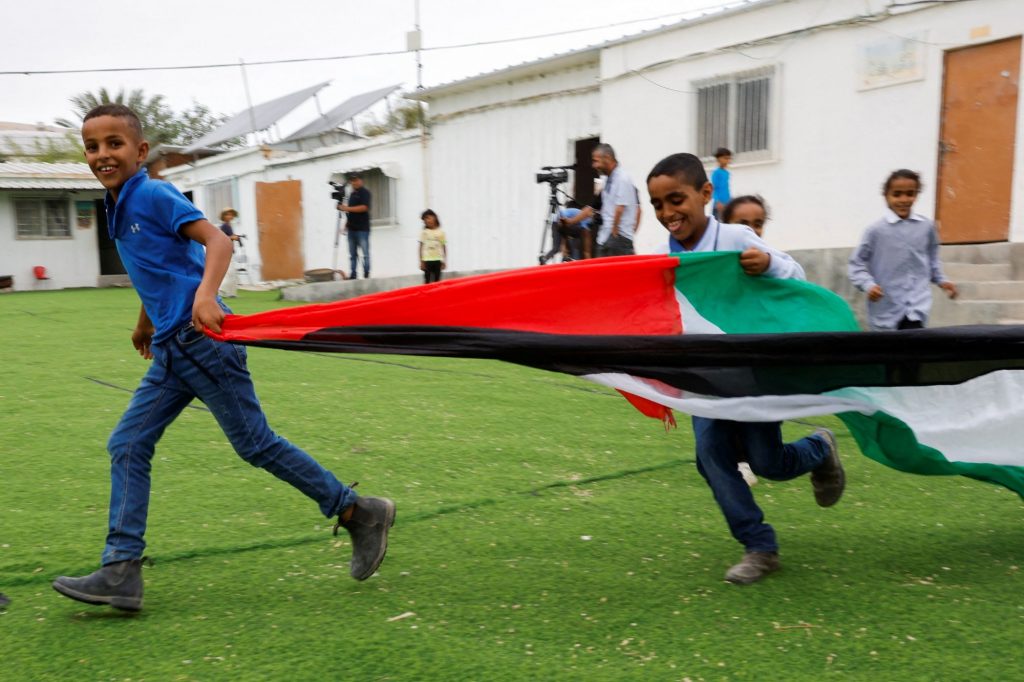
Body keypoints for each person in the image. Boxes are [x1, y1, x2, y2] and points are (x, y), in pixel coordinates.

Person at [51, 104, 394, 613]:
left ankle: (357, 512)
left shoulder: (152, 192)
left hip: (203, 342)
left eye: (114, 144)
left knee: (256, 444)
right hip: (171, 349)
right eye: (93, 146)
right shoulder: (115, 203)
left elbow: (216, 242)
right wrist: (146, 323)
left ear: (140, 152)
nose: (103, 155)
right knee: (127, 443)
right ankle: (121, 569)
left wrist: (206, 295)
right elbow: (158, 268)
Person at [647, 152, 845, 585]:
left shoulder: (736, 238)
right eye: (657, 205)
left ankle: (819, 448)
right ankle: (759, 545)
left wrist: (769, 265)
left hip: (752, 375)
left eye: (675, 200)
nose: (667, 213)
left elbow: (796, 275)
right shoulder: (665, 257)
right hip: (704, 380)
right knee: (712, 457)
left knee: (767, 462)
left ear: (705, 194)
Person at [848, 169, 958, 331]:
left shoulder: (926, 227)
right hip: (886, 308)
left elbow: (931, 261)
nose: (904, 200)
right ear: (886, 195)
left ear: (916, 195)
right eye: (897, 194)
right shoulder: (875, 231)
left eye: (910, 194)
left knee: (912, 350)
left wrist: (943, 281)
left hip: (916, 307)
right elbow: (856, 265)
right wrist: (869, 285)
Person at [591, 143, 639, 257]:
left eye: (596, 161)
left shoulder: (622, 178)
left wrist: (614, 232)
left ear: (607, 158)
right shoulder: (609, 179)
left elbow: (619, 208)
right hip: (606, 238)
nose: (594, 165)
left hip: (618, 239)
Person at [338, 173, 372, 279]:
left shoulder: (365, 193)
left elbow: (364, 208)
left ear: (361, 180)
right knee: (352, 255)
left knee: (365, 254)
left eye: (356, 180)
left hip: (362, 229)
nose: (354, 182)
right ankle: (353, 274)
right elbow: (351, 212)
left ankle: (366, 273)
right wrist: (346, 225)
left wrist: (346, 208)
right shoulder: (352, 195)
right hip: (352, 229)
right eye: (352, 181)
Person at [217, 207, 241, 298]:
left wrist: (235, 237)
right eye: (227, 214)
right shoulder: (224, 226)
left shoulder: (229, 226)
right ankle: (221, 290)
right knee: (229, 272)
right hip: (225, 251)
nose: (229, 216)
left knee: (233, 273)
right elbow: (221, 238)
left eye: (231, 214)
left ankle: (231, 293)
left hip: (230, 250)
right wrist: (232, 237)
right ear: (224, 216)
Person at [419, 209, 446, 284]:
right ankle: (426, 295)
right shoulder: (424, 233)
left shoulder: (441, 233)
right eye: (424, 220)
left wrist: (444, 260)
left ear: (434, 217)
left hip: (438, 260)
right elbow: (420, 247)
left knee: (437, 281)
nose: (427, 221)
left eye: (428, 218)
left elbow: (443, 247)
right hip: (427, 260)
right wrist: (421, 262)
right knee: (427, 281)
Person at [711, 147, 732, 220]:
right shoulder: (716, 173)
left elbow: (725, 188)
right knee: (718, 226)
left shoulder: (726, 173)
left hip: (727, 203)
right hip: (719, 205)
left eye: (729, 159)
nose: (728, 161)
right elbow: (713, 189)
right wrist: (718, 202)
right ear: (719, 159)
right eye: (725, 158)